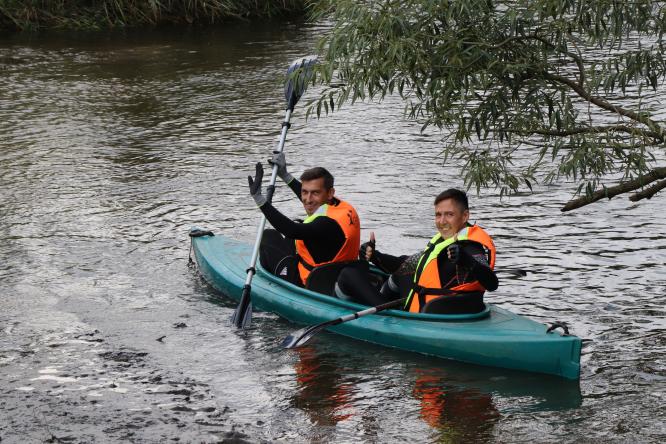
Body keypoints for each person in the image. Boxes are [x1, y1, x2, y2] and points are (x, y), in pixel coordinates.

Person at [336, 188, 498, 314]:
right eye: (438, 215)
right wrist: (375, 256)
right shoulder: (444, 242)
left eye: (449, 215)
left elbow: (491, 283)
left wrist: (466, 261)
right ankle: (382, 299)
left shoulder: (470, 247)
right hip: (444, 307)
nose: (442, 221)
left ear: (464, 216)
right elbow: (407, 264)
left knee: (348, 274)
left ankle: (378, 314)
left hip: (429, 313)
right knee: (401, 274)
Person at [247, 152, 361, 288]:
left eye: (315, 193)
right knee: (299, 223)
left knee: (269, 236)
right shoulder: (341, 207)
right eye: (304, 192)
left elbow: (291, 230)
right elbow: (311, 199)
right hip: (338, 271)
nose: (307, 198)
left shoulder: (324, 224)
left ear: (330, 192)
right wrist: (284, 174)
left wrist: (259, 199)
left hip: (311, 281)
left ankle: (272, 279)